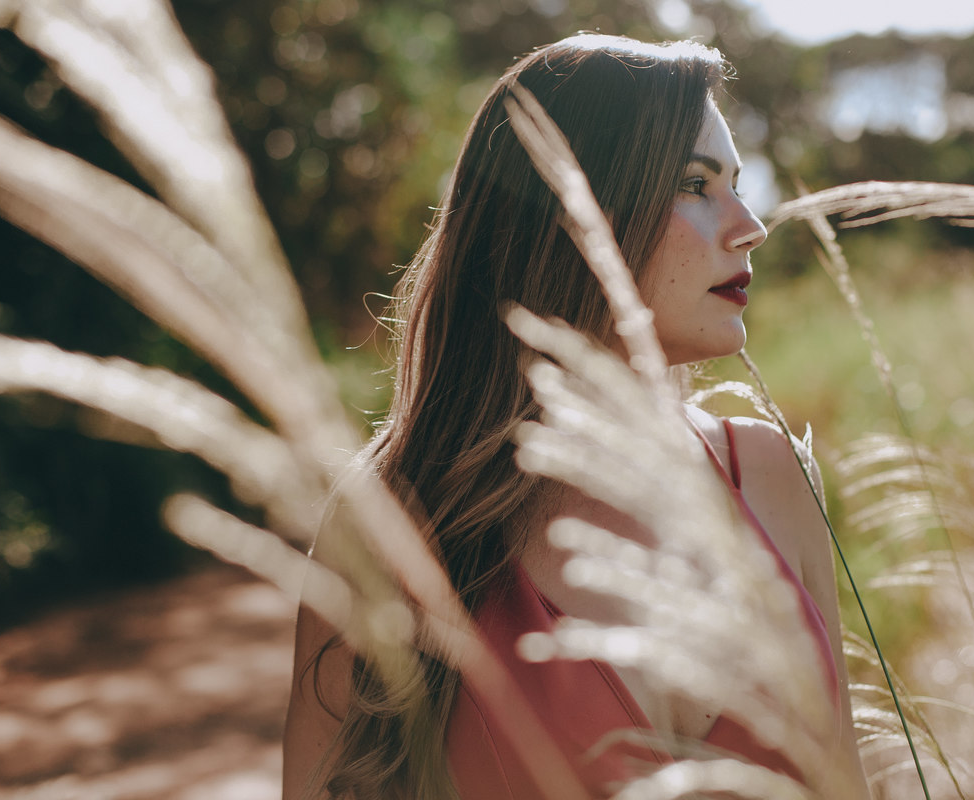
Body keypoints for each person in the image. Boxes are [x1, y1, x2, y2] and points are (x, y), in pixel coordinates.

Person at [283, 33, 870, 800]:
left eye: (736, 182)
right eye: (695, 184)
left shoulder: (771, 476)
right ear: (570, 213)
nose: (748, 224)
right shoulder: (396, 519)